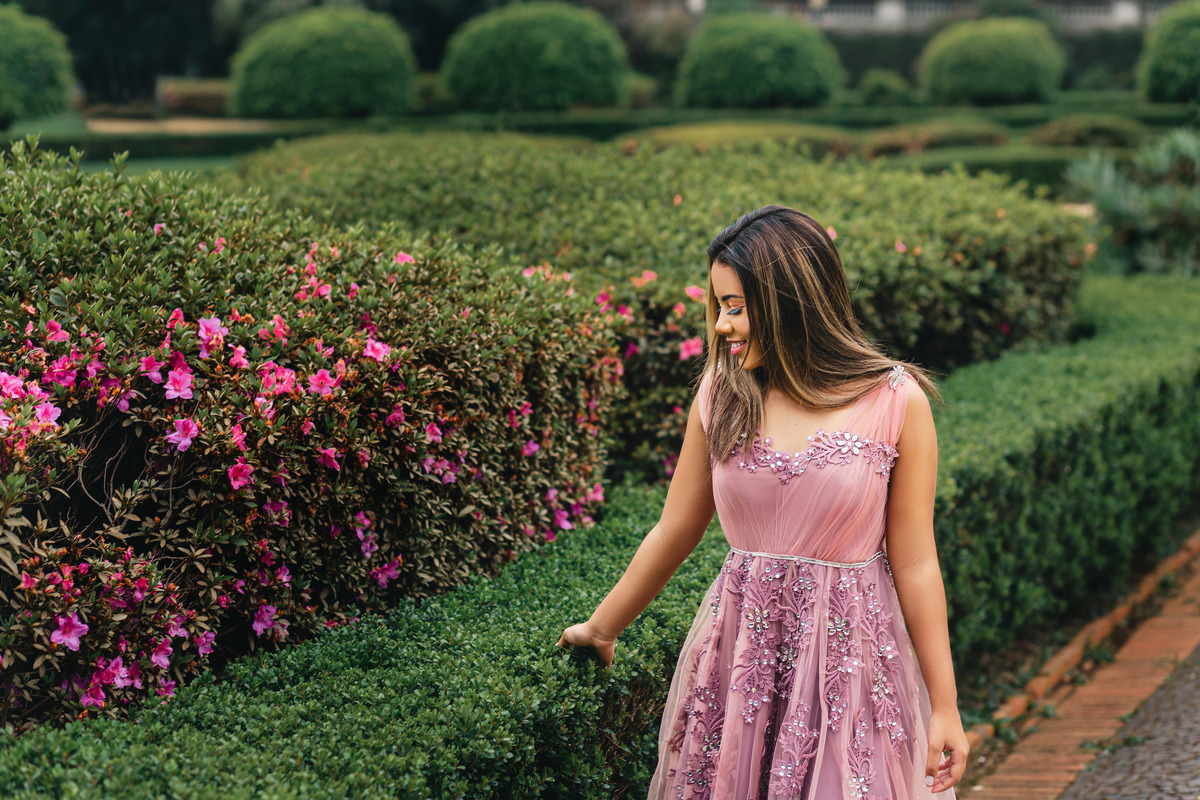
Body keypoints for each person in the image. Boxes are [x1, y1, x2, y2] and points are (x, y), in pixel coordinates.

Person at [557, 205, 969, 798]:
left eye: (735, 307)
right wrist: (601, 629)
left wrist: (945, 707)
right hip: (741, 664)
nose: (721, 327)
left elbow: (916, 562)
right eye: (718, 308)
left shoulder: (896, 400)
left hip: (848, 671)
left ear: (789, 301)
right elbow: (676, 527)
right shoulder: (722, 393)